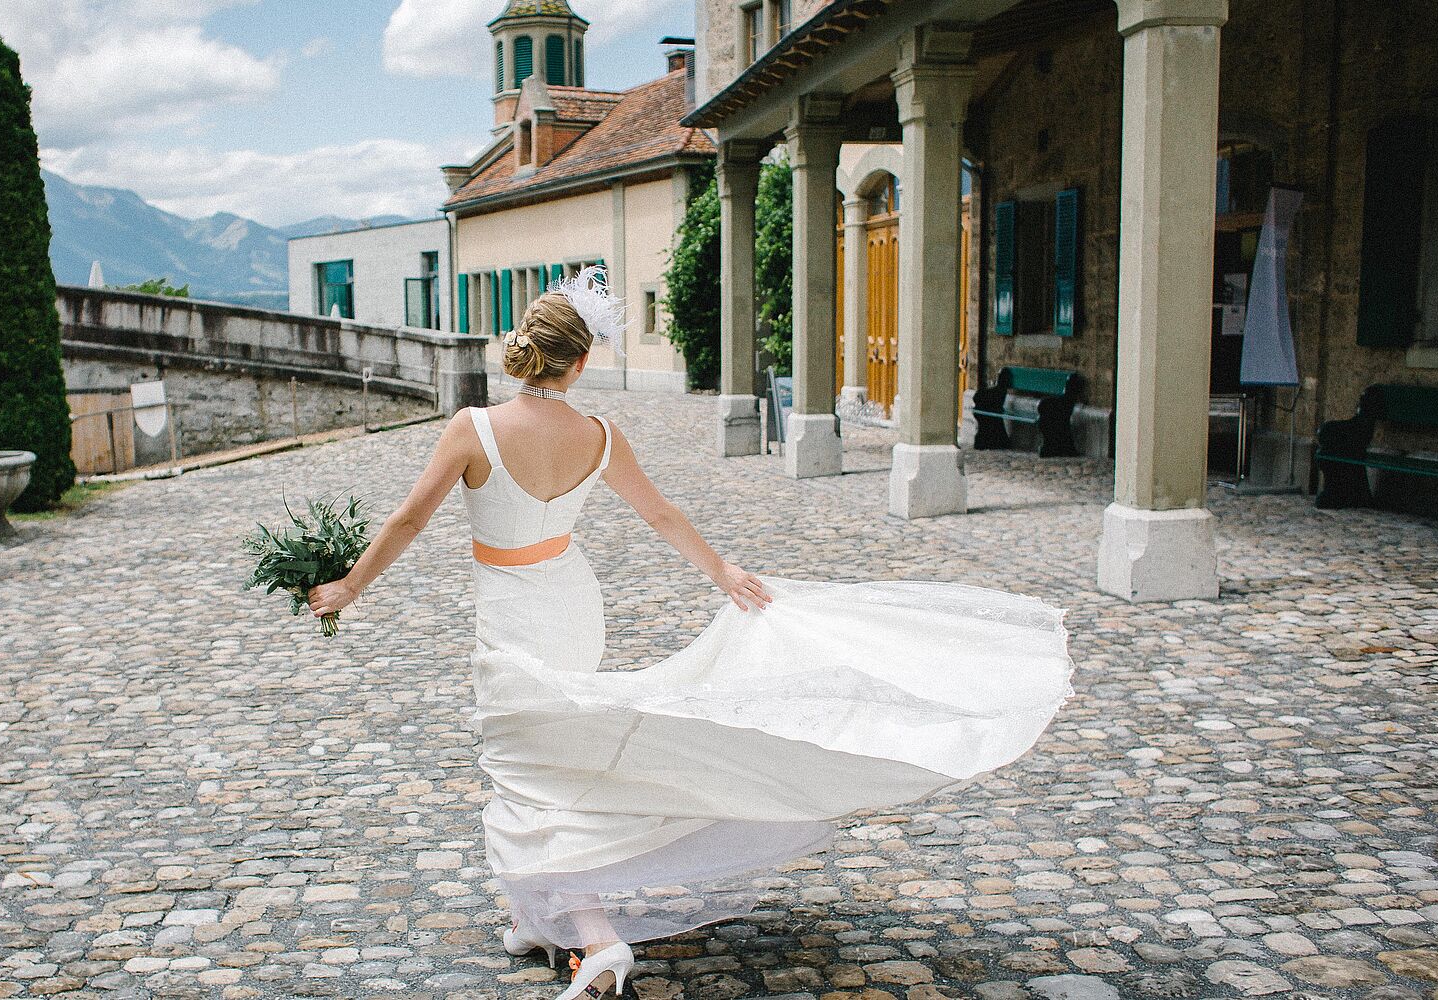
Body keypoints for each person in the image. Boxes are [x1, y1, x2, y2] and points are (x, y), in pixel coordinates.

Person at [307, 268, 1073, 1000]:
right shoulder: (598, 434)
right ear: (576, 367)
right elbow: (661, 514)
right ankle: (530, 918)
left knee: (525, 761)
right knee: (558, 749)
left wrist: (351, 585)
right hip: (572, 600)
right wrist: (725, 573)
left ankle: (593, 932)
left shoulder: (473, 428)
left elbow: (411, 518)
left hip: (510, 603)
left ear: (527, 350)